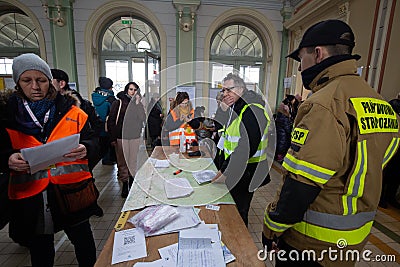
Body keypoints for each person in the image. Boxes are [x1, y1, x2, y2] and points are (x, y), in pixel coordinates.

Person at [262, 20, 400, 266]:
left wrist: (272, 228)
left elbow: (302, 184)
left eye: (301, 59)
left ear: (317, 54)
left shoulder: (324, 104)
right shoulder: (381, 104)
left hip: (310, 244)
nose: (300, 68)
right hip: (353, 240)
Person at [0, 53, 100, 267]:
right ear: (18, 83)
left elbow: (93, 139)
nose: (35, 86)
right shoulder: (6, 115)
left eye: (42, 80)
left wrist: (86, 148)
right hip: (31, 196)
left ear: (51, 82)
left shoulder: (72, 112)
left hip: (72, 192)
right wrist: (7, 158)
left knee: (83, 242)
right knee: (41, 249)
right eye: (27, 80)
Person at [211, 73, 270, 226]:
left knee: (238, 212)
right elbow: (219, 130)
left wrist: (226, 171)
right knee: (229, 208)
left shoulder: (253, 110)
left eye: (228, 90)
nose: (225, 94)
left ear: (241, 89)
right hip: (234, 168)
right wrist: (222, 110)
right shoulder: (235, 108)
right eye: (223, 90)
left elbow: (245, 147)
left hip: (247, 172)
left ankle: (241, 245)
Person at [51, 68, 103, 171]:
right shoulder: (49, 106)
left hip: (76, 161)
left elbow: (93, 131)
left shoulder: (76, 105)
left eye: (48, 81)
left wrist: (87, 146)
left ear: (61, 84)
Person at [107, 82, 146, 198]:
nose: (133, 92)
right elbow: (111, 121)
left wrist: (139, 104)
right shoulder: (118, 103)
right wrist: (113, 138)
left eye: (135, 90)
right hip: (121, 137)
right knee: (122, 161)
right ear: (126, 90)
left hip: (135, 136)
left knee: (133, 160)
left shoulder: (137, 104)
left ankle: (132, 179)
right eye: (131, 89)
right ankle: (125, 183)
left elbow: (143, 119)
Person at [379, 97, 400, 209]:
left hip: (396, 149)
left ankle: (390, 197)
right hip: (390, 147)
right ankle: (381, 198)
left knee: (395, 176)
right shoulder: (394, 104)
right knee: (385, 175)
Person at [92, 76, 116, 165]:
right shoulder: (110, 98)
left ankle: (104, 159)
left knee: (102, 142)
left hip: (97, 124)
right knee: (108, 142)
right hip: (107, 124)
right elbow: (113, 113)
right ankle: (108, 159)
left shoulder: (96, 96)